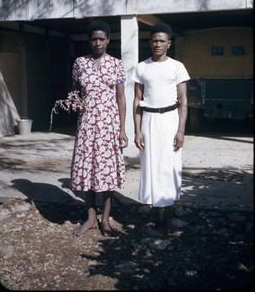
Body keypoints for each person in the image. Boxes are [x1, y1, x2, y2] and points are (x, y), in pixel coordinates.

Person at [70, 20, 128, 237]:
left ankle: (105, 220)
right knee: (88, 170)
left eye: (101, 39)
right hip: (86, 125)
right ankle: (91, 218)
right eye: (94, 39)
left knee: (107, 171)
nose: (97, 43)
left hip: (109, 125)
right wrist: (73, 102)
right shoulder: (79, 63)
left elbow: (121, 98)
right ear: (89, 40)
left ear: (108, 41)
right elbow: (74, 92)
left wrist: (122, 129)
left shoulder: (116, 64)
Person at [132, 22, 190, 228]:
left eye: (162, 41)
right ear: (150, 42)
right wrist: (137, 130)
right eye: (154, 40)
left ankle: (170, 212)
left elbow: (183, 100)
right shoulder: (141, 67)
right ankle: (154, 212)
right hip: (149, 120)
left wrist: (181, 130)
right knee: (150, 164)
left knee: (170, 164)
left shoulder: (177, 66)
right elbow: (137, 100)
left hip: (170, 119)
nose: (158, 44)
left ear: (169, 44)